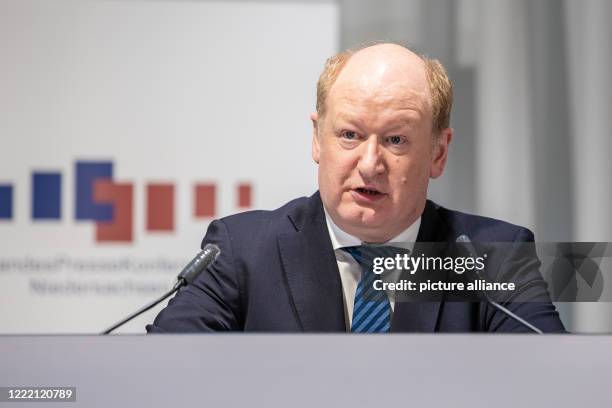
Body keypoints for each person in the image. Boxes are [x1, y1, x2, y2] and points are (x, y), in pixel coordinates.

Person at [147, 43, 565, 333]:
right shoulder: (241, 251)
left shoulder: (494, 259)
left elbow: (553, 382)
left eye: (396, 140)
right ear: (317, 138)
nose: (369, 164)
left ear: (438, 153)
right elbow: (163, 369)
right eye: (349, 134)